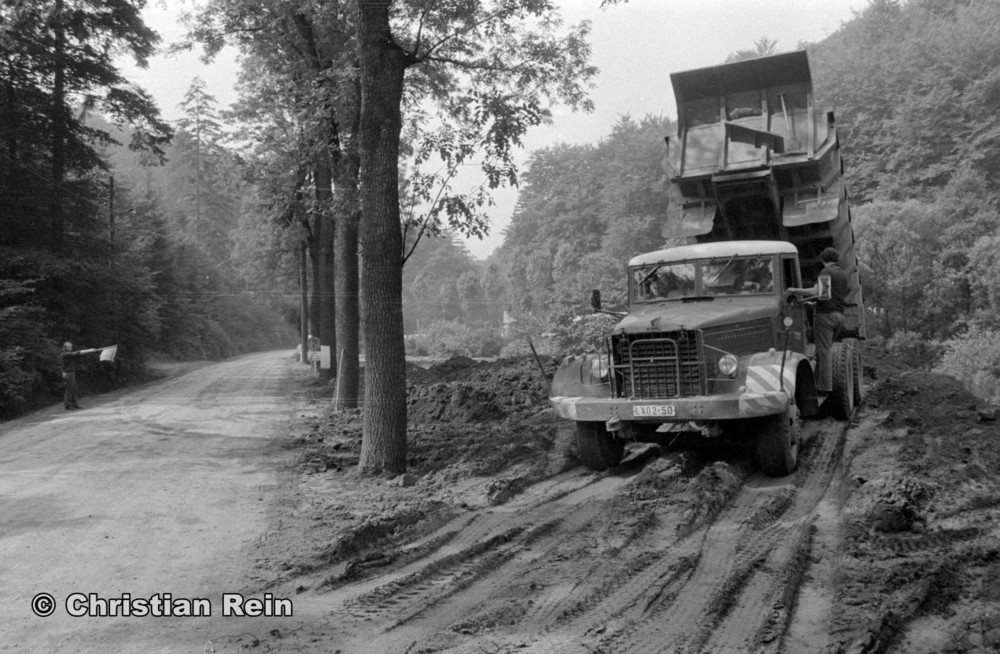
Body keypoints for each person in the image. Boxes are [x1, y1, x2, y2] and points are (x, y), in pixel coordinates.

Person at [787, 247, 849, 395]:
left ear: (823, 260)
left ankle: (824, 388)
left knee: (823, 352)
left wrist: (794, 290)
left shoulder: (826, 272)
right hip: (839, 317)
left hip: (826, 317)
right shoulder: (842, 275)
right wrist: (814, 304)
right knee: (824, 349)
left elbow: (817, 292)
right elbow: (829, 296)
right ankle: (817, 382)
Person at [61, 342, 99, 410]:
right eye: (68, 347)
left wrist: (90, 351)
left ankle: (74, 404)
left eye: (71, 347)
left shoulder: (70, 354)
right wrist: (89, 350)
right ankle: (68, 406)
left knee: (74, 389)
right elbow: (78, 352)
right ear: (65, 348)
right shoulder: (65, 354)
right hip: (68, 374)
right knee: (70, 389)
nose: (70, 348)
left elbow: (78, 354)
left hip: (71, 373)